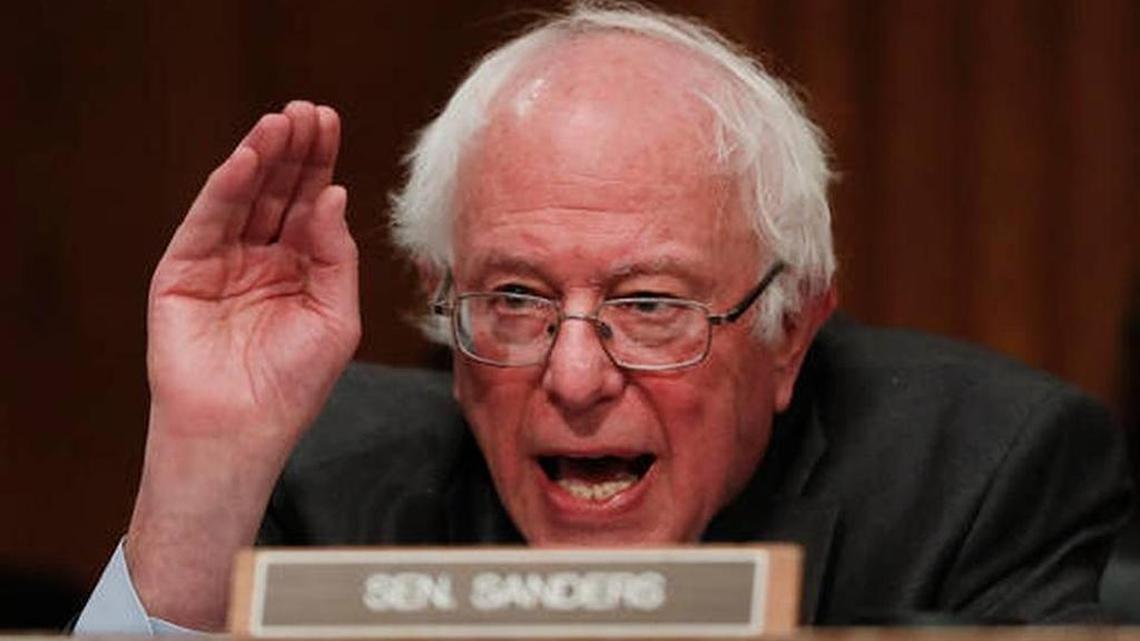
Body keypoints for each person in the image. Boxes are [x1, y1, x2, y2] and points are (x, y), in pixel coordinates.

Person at [75, 4, 1131, 633]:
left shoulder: (984, 479)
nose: (575, 376)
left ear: (792, 327)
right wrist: (201, 480)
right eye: (519, 299)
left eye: (650, 305)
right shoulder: (319, 474)